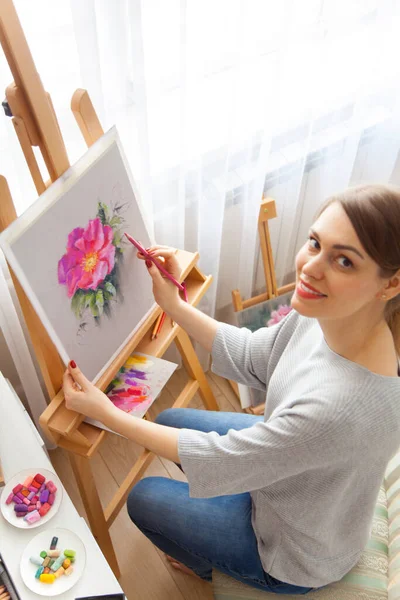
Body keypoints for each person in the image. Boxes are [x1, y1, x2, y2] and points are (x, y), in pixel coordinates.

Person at [63, 184, 400, 594]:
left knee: (144, 497)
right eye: (315, 243)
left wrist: (108, 413)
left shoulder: (338, 408)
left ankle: (211, 568)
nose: (311, 267)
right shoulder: (332, 315)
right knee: (169, 420)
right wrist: (175, 306)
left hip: (294, 551)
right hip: (298, 487)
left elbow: (224, 460)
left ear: (390, 284)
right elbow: (256, 355)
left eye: (344, 261)